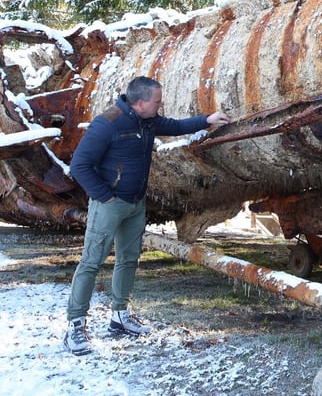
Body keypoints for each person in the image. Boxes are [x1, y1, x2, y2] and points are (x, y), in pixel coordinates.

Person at [63, 76, 229, 356]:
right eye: (157, 102)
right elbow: (79, 165)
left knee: (129, 259)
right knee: (92, 261)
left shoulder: (148, 121)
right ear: (140, 103)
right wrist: (105, 196)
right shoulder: (108, 123)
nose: (160, 106)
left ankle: (120, 316)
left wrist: (207, 119)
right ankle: (75, 326)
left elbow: (176, 126)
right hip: (109, 204)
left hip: (136, 204)